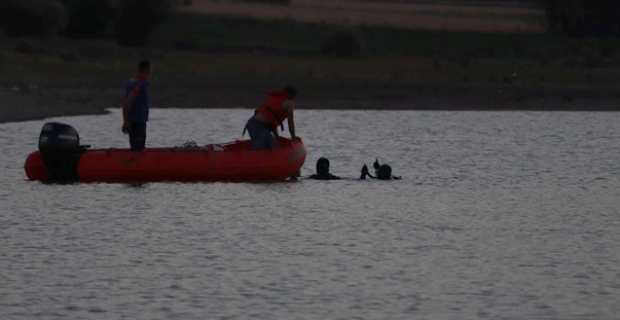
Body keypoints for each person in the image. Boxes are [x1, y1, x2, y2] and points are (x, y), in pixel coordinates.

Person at [122, 60, 152, 151]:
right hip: (137, 121)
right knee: (138, 149)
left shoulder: (132, 81)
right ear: (147, 69)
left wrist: (126, 121)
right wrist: (126, 121)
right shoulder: (139, 84)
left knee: (136, 147)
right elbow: (128, 102)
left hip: (135, 120)